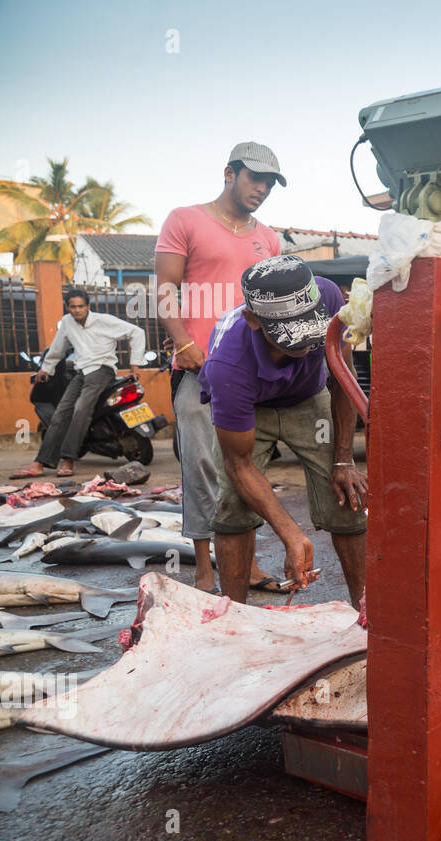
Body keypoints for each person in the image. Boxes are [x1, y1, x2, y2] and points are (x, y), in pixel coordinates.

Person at [198, 256, 366, 606]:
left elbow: (343, 380)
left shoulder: (329, 296)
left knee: (347, 498)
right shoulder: (226, 367)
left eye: (311, 330)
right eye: (291, 336)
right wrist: (291, 534)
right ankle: (235, 617)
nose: (306, 345)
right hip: (251, 405)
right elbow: (239, 463)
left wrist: (343, 459)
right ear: (253, 320)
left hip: (307, 397)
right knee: (232, 506)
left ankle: (368, 611)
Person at [155, 142, 284, 593]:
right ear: (230, 173)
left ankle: (246, 565)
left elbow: (270, 306)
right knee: (201, 463)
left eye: (270, 183)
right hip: (196, 365)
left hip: (249, 371)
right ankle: (204, 567)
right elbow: (166, 288)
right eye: (256, 178)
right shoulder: (185, 219)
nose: (263, 189)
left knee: (246, 465)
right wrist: (184, 342)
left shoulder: (269, 239)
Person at [12, 289, 145, 478]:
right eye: (73, 307)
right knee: (60, 413)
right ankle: (39, 463)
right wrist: (46, 369)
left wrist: (135, 365)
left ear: (88, 306)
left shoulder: (103, 320)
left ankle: (68, 460)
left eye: (81, 306)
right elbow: (57, 348)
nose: (77, 310)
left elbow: (137, 332)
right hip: (81, 372)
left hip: (102, 370)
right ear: (68, 307)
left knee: (81, 409)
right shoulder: (67, 322)